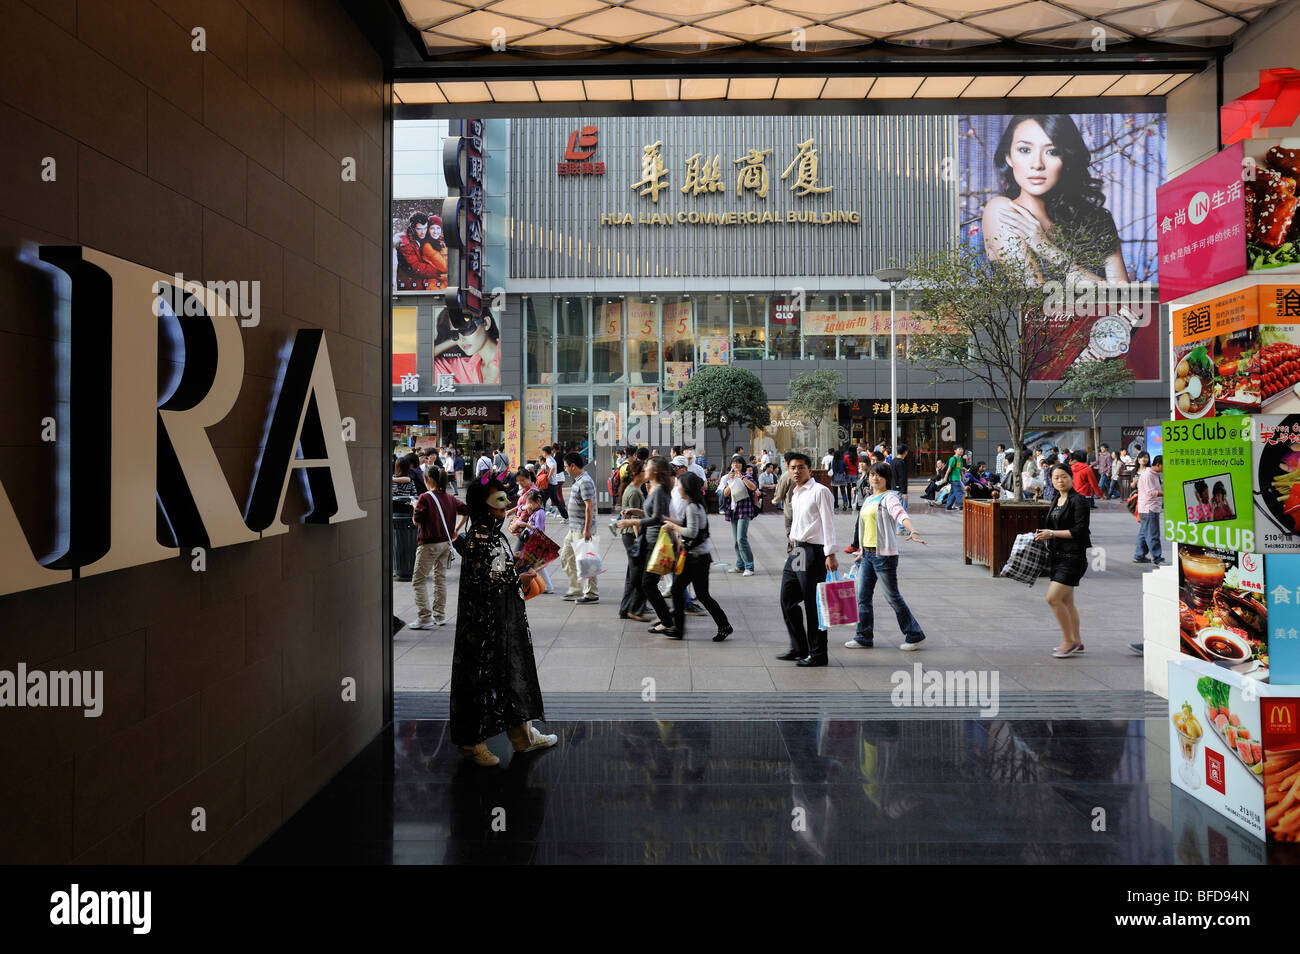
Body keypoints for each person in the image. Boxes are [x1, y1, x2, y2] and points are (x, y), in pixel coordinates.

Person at [449, 474, 556, 766]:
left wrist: (516, 569)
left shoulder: (493, 535)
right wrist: (516, 577)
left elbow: (497, 573)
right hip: (484, 629)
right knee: (480, 682)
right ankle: (472, 744)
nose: (505, 506)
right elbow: (485, 582)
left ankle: (523, 737)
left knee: (511, 676)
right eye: (498, 501)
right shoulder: (479, 539)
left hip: (504, 623)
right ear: (482, 506)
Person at [981, 114, 1128, 286]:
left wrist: (1046, 249)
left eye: (1052, 152)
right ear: (1009, 157)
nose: (1037, 164)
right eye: (1025, 150)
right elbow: (1034, 296)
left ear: (1067, 158)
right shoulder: (1003, 212)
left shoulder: (1098, 220)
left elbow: (1124, 296)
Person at [846, 462, 928, 651]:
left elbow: (900, 514)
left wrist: (913, 530)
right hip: (867, 554)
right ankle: (863, 637)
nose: (875, 478)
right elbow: (865, 527)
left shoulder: (890, 497)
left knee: (892, 596)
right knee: (863, 597)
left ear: (886, 478)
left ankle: (914, 634)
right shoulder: (868, 499)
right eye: (872, 474)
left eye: (879, 475)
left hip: (884, 556)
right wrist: (861, 552)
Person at [778, 452, 838, 667]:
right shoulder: (796, 493)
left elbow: (828, 523)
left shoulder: (820, 492)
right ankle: (799, 647)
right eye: (793, 467)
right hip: (797, 552)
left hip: (814, 552)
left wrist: (830, 553)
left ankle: (818, 653)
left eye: (801, 467)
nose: (796, 471)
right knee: (787, 599)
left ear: (809, 470)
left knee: (814, 605)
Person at [661, 473, 733, 641]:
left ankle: (680, 629)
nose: (677, 488)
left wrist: (672, 526)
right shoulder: (695, 505)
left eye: (679, 485)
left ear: (686, 489)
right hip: (698, 557)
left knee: (687, 591)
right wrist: (669, 521)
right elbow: (690, 526)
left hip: (696, 559)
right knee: (695, 593)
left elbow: (691, 532)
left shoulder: (692, 507)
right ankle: (722, 626)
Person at [1035, 463, 1092, 658]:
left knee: (1053, 598)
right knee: (1067, 602)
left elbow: (1079, 531)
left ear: (1071, 477)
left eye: (1064, 476)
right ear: (1051, 480)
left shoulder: (1079, 501)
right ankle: (1077, 640)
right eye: (1056, 477)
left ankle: (1068, 641)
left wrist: (1051, 533)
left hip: (1074, 558)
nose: (1060, 480)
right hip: (1057, 557)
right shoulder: (1056, 499)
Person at [616, 457, 674, 633]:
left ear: (654, 471)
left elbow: (657, 519)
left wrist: (632, 523)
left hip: (656, 541)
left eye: (647, 466)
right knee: (644, 582)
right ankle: (666, 617)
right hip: (649, 541)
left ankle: (667, 619)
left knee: (647, 583)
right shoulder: (654, 489)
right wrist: (635, 512)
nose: (645, 469)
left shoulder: (659, 491)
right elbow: (652, 513)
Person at [410, 466, 468, 629]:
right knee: (439, 579)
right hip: (446, 544)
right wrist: (455, 530)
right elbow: (466, 511)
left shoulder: (424, 498)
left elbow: (417, 521)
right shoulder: (450, 498)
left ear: (428, 480)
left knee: (418, 580)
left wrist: (415, 506)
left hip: (429, 544)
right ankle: (439, 615)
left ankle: (424, 617)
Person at [558, 452, 598, 604]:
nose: (565, 470)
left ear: (573, 466)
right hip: (573, 528)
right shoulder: (578, 480)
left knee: (587, 561)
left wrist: (587, 529)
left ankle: (591, 594)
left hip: (582, 528)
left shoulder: (585, 481)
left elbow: (589, 507)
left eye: (566, 467)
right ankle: (576, 589)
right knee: (566, 556)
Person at [617, 459, 650, 622]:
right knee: (637, 575)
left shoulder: (634, 489)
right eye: (644, 471)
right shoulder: (634, 492)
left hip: (629, 535)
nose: (647, 473)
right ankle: (634, 608)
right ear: (637, 474)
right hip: (632, 535)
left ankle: (626, 608)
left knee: (633, 573)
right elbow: (634, 520)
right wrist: (638, 540)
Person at [433, 309, 501, 385]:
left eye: (466, 329)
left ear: (486, 323)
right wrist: (454, 340)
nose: (461, 339)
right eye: (454, 334)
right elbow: (423, 361)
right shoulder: (464, 368)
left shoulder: (513, 356)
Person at [720, 455, 757, 576]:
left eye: (738, 463)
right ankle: (740, 565)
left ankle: (749, 566)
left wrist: (741, 477)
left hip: (744, 511)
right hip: (733, 510)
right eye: (733, 463)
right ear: (731, 465)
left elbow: (753, 488)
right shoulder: (729, 478)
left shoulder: (747, 476)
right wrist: (730, 482)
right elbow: (725, 494)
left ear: (742, 465)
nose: (735, 465)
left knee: (741, 538)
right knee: (736, 541)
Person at [1134, 454, 1164, 566]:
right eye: (1163, 466)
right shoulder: (1148, 475)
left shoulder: (1153, 474)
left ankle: (1139, 555)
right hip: (1149, 508)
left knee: (1144, 533)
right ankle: (1157, 558)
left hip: (1148, 508)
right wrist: (1165, 493)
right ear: (1158, 464)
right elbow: (1150, 492)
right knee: (1153, 534)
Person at [944, 445, 966, 511]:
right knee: (959, 492)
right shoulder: (953, 459)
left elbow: (960, 468)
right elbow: (949, 469)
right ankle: (962, 505)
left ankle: (948, 506)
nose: (961, 450)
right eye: (959, 449)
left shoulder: (960, 459)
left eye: (962, 449)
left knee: (952, 493)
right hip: (954, 479)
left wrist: (962, 476)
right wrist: (945, 477)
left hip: (957, 478)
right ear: (955, 451)